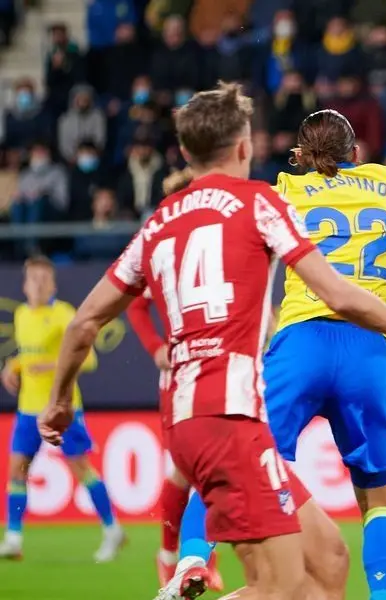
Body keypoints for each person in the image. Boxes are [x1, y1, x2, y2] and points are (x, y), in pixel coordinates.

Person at [36, 82, 386, 600]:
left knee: (328, 568)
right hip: (235, 416)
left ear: (185, 152)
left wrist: (60, 401)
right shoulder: (260, 204)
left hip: (185, 416)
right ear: (245, 146)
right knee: (290, 586)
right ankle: (185, 567)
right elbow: (338, 292)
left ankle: (186, 562)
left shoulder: (160, 223)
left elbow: (84, 324)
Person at [164, 107, 386, 600]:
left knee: (237, 459)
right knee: (381, 501)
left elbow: (217, 216)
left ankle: (193, 558)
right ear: (356, 154)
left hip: (299, 346)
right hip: (367, 350)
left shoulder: (284, 191)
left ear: (301, 155)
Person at [125, 167, 227, 592]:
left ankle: (200, 558)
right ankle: (170, 557)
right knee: (187, 470)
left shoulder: (214, 239)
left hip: (221, 368)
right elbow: (135, 304)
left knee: (212, 469)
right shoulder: (163, 239)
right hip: (181, 373)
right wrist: (156, 349)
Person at [0, 256, 125, 562]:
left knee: (81, 469)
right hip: (28, 409)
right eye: (33, 279)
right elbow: (28, 354)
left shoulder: (64, 314)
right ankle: (14, 539)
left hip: (63, 408)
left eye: (44, 279)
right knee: (17, 470)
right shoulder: (23, 316)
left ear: (53, 283)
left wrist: (52, 366)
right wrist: (12, 365)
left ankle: (112, 530)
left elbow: (90, 359)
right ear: (25, 284)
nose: (39, 284)